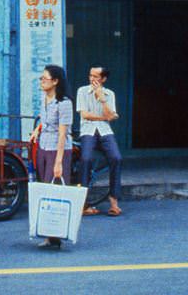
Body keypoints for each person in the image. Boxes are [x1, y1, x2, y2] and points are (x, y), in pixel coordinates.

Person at [29, 64, 73, 249]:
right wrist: (36, 130)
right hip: (44, 146)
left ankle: (56, 234)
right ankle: (49, 234)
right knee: (44, 188)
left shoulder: (64, 103)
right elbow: (44, 120)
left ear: (55, 81)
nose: (41, 81)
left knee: (55, 190)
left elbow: (63, 133)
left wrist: (58, 162)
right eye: (41, 78)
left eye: (44, 78)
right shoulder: (45, 99)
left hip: (58, 148)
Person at [76, 66, 123, 217]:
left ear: (103, 79)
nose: (92, 79)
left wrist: (102, 100)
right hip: (88, 131)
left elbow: (112, 116)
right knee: (86, 158)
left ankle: (114, 201)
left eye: (96, 77)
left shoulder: (110, 94)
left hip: (105, 131)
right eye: (90, 75)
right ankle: (83, 202)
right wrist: (105, 117)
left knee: (116, 158)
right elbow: (85, 114)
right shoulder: (82, 91)